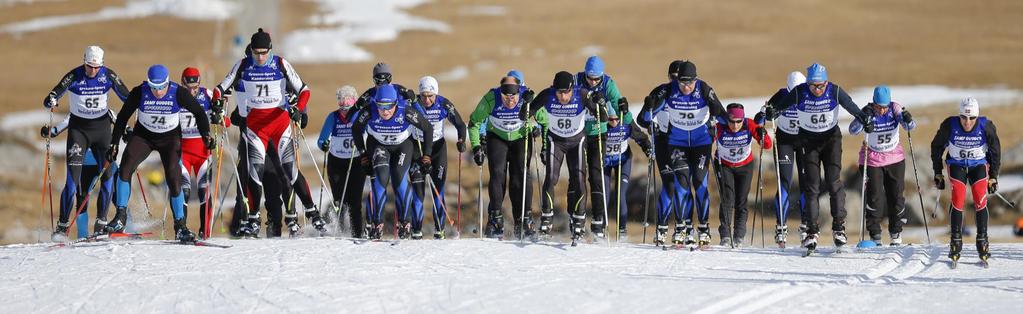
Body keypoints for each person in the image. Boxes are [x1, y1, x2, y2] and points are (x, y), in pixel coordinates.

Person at [212, 28, 325, 237]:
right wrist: (217, 106)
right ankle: (253, 218)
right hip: (255, 128)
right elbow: (219, 89)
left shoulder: (281, 64)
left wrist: (299, 110)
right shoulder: (243, 65)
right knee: (255, 172)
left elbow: (304, 90)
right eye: (257, 53)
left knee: (289, 170)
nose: (261, 57)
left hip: (279, 125)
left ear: (271, 50)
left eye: (264, 52)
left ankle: (312, 212)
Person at [766, 63, 872, 250]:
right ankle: (811, 231)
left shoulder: (834, 91)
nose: (817, 90)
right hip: (809, 142)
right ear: (808, 84)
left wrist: (865, 119)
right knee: (812, 186)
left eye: (821, 85)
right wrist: (772, 112)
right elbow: (779, 107)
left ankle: (839, 227)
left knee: (833, 182)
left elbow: (852, 107)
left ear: (826, 82)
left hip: (831, 140)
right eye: (813, 86)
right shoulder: (800, 92)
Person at [106, 64, 213, 242]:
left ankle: (180, 226)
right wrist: (114, 143)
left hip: (169, 139)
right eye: (154, 88)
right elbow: (123, 116)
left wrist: (206, 135)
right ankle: (120, 217)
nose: (157, 92)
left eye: (161, 87)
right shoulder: (140, 91)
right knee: (125, 169)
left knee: (174, 178)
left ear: (167, 82)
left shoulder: (178, 92)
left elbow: (200, 113)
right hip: (144, 136)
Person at [43, 45, 130, 239]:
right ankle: (62, 226)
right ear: (84, 62)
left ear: (102, 64)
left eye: (96, 67)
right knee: (72, 184)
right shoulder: (74, 76)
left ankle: (101, 222)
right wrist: (52, 100)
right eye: (89, 66)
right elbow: (54, 93)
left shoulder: (108, 76)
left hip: (102, 132)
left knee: (107, 180)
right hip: (79, 131)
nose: (93, 70)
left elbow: (128, 96)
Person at [641, 60, 726, 247]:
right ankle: (680, 227)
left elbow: (723, 116)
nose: (686, 87)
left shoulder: (703, 89)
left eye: (689, 83)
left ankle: (703, 228)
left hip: (701, 143)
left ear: (696, 80)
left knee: (700, 182)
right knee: (681, 182)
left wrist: (716, 116)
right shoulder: (668, 90)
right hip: (676, 143)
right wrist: (649, 107)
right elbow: (643, 118)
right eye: (682, 83)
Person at [521, 71, 607, 243]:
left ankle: (579, 219)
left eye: (566, 92)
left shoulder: (582, 94)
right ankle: (546, 218)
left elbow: (603, 117)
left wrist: (600, 102)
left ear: (571, 89)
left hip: (577, 141)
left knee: (579, 179)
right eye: (559, 92)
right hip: (556, 141)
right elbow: (523, 116)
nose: (563, 96)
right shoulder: (547, 95)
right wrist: (526, 103)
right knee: (551, 178)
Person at [352, 84, 434, 240]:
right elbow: (356, 128)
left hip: (403, 146)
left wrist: (427, 155)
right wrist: (363, 154)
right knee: (381, 178)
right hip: (379, 145)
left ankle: (405, 222)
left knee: (399, 178)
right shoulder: (370, 111)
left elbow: (428, 128)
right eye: (381, 106)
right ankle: (377, 223)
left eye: (389, 106)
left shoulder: (406, 112)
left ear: (396, 103)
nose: (385, 111)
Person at [468, 75, 539, 239]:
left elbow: (544, 119)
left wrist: (537, 130)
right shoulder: (491, 98)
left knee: (520, 175)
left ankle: (525, 220)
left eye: (513, 97)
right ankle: (495, 219)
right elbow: (473, 123)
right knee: (498, 173)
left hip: (520, 137)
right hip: (497, 137)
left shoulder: (527, 97)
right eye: (505, 97)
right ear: (500, 92)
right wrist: (477, 147)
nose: (510, 101)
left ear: (519, 91)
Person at [930, 97, 1000, 263]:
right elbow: (936, 147)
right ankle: (955, 241)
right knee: (958, 198)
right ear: (959, 115)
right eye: (963, 117)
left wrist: (994, 176)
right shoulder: (950, 125)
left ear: (977, 116)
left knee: (980, 200)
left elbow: (995, 151)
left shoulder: (986, 127)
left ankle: (982, 241)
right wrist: (937, 172)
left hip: (978, 166)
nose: (967, 122)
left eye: (972, 118)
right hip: (956, 165)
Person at [848, 85, 916, 246]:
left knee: (896, 196)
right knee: (875, 197)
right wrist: (864, 120)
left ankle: (896, 232)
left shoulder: (895, 108)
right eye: (879, 107)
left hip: (894, 159)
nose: (882, 110)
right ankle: (875, 234)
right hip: (872, 160)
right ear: (873, 103)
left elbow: (910, 127)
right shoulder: (867, 111)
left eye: (884, 107)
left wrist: (908, 119)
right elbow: (852, 130)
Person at [41, 113, 119, 238]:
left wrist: (130, 131)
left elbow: (121, 123)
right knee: (82, 199)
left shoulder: (106, 111)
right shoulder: (76, 113)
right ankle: (82, 235)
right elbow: (59, 128)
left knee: (116, 195)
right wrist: (50, 131)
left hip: (105, 161)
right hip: (85, 165)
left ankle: (122, 225)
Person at [409, 76, 467, 239]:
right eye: (424, 96)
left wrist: (461, 139)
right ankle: (416, 230)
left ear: (436, 94)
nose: (427, 100)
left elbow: (461, 124)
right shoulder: (414, 104)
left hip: (437, 149)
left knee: (438, 189)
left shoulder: (443, 104)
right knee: (418, 191)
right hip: (417, 149)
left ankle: (439, 230)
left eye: (430, 96)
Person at [177, 67, 228, 239]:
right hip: (182, 152)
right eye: (188, 88)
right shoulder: (176, 95)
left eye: (195, 88)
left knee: (203, 191)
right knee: (183, 190)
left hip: (202, 153)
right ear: (182, 83)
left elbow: (225, 122)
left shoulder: (207, 94)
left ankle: (204, 231)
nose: (192, 91)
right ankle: (180, 229)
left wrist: (218, 117)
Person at [637, 60, 684, 245]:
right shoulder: (661, 92)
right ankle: (662, 228)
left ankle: (681, 226)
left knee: (683, 183)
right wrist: (651, 124)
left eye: (680, 78)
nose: (676, 82)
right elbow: (642, 118)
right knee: (670, 184)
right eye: (673, 77)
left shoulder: (691, 94)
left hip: (683, 143)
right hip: (664, 142)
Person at [714, 104, 771, 247]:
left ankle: (739, 235)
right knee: (727, 199)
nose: (735, 125)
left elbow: (767, 145)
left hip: (745, 166)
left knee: (741, 201)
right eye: (732, 121)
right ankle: (725, 236)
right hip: (724, 165)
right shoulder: (720, 127)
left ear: (743, 119)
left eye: (738, 121)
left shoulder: (749, 124)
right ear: (727, 119)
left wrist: (762, 134)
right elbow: (706, 140)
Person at [576, 56, 622, 237]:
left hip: (598, 134)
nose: (593, 82)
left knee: (596, 176)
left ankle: (598, 221)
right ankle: (577, 218)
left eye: (597, 78)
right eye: (590, 77)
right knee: (577, 175)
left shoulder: (608, 83)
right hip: (578, 133)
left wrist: (619, 116)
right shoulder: (576, 79)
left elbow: (618, 103)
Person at [762, 71, 806, 247]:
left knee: (807, 183)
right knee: (784, 182)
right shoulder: (781, 94)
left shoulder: (808, 94)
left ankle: (806, 225)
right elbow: (764, 114)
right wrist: (768, 113)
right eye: (791, 92)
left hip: (804, 141)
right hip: (785, 142)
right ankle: (781, 227)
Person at [318, 86, 367, 238]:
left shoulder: (360, 116)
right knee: (340, 200)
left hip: (356, 163)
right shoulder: (333, 117)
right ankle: (341, 231)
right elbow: (322, 140)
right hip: (336, 163)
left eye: (348, 108)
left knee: (355, 201)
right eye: (342, 108)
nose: (345, 112)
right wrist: (324, 144)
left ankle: (357, 233)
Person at [602, 99, 652, 241]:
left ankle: (622, 229)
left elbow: (641, 137)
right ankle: (602, 227)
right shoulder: (601, 125)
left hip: (623, 160)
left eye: (617, 119)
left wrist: (648, 148)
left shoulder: (626, 123)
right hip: (605, 161)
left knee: (620, 192)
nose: (614, 122)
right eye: (611, 119)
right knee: (604, 193)